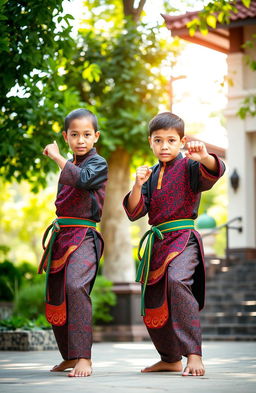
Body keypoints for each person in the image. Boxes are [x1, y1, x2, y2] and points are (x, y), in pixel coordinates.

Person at [123, 112, 225, 377]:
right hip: (158, 243)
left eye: (171, 140)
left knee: (178, 282)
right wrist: (137, 184)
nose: (164, 146)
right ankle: (169, 358)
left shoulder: (191, 166)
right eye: (158, 141)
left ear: (181, 141)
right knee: (153, 302)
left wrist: (203, 156)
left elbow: (214, 171)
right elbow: (135, 213)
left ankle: (194, 354)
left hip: (183, 240)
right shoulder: (150, 174)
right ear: (150, 142)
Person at [38, 108, 108, 377]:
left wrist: (57, 157)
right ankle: (69, 356)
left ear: (96, 136)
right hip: (62, 237)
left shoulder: (98, 163)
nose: (81, 140)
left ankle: (84, 358)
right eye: (75, 135)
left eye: (87, 134)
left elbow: (83, 180)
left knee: (76, 287)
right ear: (66, 136)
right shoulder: (71, 164)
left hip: (84, 237)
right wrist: (62, 161)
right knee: (58, 294)